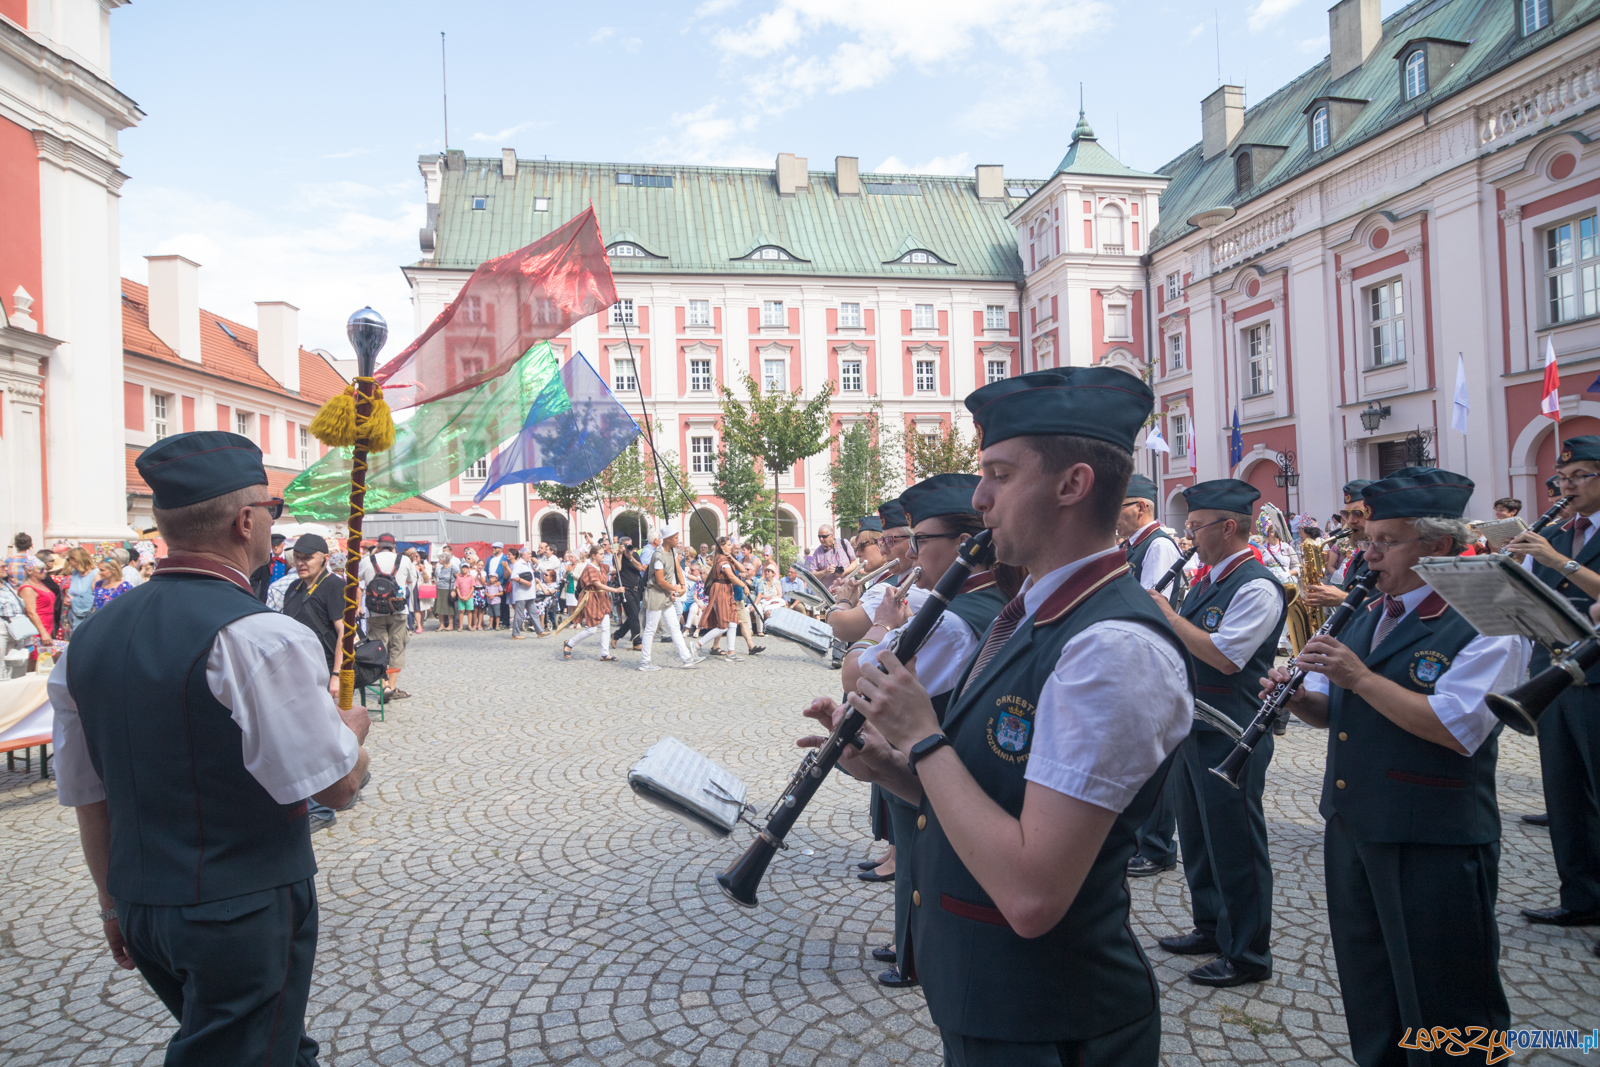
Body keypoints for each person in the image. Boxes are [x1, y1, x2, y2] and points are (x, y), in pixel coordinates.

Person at [801, 367, 1192, 1064]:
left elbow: (1033, 890)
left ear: (1073, 484)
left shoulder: (1111, 646)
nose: (978, 498)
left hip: (1053, 1023)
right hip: (996, 1001)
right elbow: (990, 795)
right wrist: (891, 766)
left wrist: (922, 736)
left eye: (1000, 474)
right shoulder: (1032, 613)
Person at [49, 429, 368, 1066]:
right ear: (246, 520)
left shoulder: (87, 640)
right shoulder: (259, 635)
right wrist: (351, 733)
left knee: (272, 1046)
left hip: (143, 901)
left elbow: (89, 795)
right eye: (272, 513)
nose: (272, 527)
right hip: (239, 906)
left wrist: (113, 903)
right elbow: (334, 786)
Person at [1262, 466, 1523, 1066]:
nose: (1367, 553)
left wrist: (1357, 675)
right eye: (1366, 539)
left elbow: (1456, 728)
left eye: (1385, 541)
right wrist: (1303, 699)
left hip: (1431, 833)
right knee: (1371, 987)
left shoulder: (1487, 617)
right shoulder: (1369, 608)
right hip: (1355, 822)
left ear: (1436, 545)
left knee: (1449, 1006)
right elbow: (1343, 713)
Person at [841, 473, 1012, 991]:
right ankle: (911, 946)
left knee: (920, 856)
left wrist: (883, 627)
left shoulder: (954, 618)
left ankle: (914, 953)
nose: (913, 554)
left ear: (965, 544)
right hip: (950, 751)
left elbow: (858, 676)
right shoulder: (996, 596)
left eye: (921, 541)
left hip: (934, 755)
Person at [1143, 480, 1287, 988]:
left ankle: (1247, 952)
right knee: (1200, 836)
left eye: (1197, 526)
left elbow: (1226, 655)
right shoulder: (1206, 579)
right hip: (1195, 725)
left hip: (1233, 731)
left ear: (1229, 527)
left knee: (1235, 843)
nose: (1189, 536)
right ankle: (1211, 926)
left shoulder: (1256, 585)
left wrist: (1165, 615)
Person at [1505, 435, 1600, 945]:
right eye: (1562, 479)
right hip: (1554, 673)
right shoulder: (1560, 533)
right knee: (1566, 795)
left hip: (1597, 675)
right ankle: (1580, 898)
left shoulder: (1559, 545)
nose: (1567, 487)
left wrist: (1556, 560)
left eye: (1581, 476)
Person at [359, 533, 414, 700]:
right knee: (397, 647)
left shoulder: (367, 560)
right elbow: (410, 580)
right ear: (393, 545)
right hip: (398, 610)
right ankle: (392, 686)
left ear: (378, 545)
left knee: (378, 648)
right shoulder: (404, 560)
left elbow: (358, 580)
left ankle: (383, 686)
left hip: (374, 611)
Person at [639, 526, 701, 672]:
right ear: (668, 539)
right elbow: (660, 581)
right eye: (675, 538)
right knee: (650, 629)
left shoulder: (672, 551)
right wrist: (676, 589)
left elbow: (677, 568)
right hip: (655, 594)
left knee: (674, 627)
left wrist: (683, 585)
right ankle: (645, 662)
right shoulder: (658, 556)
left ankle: (686, 658)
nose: (678, 540)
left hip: (665, 595)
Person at [1303, 481, 1371, 607]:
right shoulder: (1361, 552)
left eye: (1358, 513)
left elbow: (1391, 606)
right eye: (1346, 514)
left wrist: (1342, 599)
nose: (1350, 520)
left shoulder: (1388, 555)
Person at [1118, 474, 1182, 591]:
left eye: (1117, 508)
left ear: (1141, 508)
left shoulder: (1158, 546)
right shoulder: (1126, 545)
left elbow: (1150, 604)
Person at [563, 544, 622, 660]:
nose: (603, 556)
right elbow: (598, 584)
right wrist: (616, 590)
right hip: (592, 599)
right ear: (594, 556)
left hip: (602, 598)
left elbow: (618, 569)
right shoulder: (590, 568)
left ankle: (605, 654)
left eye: (603, 554)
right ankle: (569, 643)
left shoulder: (602, 566)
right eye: (601, 554)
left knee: (606, 627)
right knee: (592, 629)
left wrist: (617, 554)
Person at [18, 559, 56, 668]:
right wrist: (43, 632)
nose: (45, 571)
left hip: (47, 626)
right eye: (41, 569)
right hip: (37, 628)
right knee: (36, 661)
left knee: (46, 659)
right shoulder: (28, 588)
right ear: (30, 571)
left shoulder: (40, 584)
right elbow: (31, 612)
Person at [613, 536, 646, 651]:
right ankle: (636, 642)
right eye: (626, 545)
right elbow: (619, 568)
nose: (628, 547)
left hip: (636, 589)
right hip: (625, 590)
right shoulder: (617, 555)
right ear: (621, 545)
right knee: (634, 616)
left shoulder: (634, 555)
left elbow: (641, 568)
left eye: (630, 545)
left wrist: (630, 556)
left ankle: (616, 635)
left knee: (633, 616)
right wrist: (620, 554)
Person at [804, 523, 855, 593]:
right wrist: (825, 572)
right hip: (830, 593)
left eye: (824, 536)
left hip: (847, 588)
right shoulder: (817, 552)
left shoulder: (844, 543)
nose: (821, 539)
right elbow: (812, 575)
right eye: (819, 536)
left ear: (832, 535)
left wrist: (845, 571)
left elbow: (855, 563)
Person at [60, 547, 95, 637]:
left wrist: (73, 601)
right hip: (73, 617)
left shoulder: (95, 574)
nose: (68, 562)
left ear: (76, 559)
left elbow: (94, 598)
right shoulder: (76, 573)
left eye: (69, 559)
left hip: (86, 616)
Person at [251, 533, 287, 601]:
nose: (276, 547)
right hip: (267, 597)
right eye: (273, 545)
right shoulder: (265, 560)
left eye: (278, 545)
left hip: (284, 597)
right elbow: (254, 579)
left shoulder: (289, 559)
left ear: (283, 544)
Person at [433, 548, 462, 632]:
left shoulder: (453, 568)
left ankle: (451, 625)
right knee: (439, 608)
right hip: (440, 589)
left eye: (440, 558)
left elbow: (458, 579)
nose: (439, 560)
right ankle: (441, 625)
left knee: (449, 608)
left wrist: (454, 590)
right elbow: (437, 578)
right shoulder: (441, 568)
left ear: (444, 559)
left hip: (448, 590)